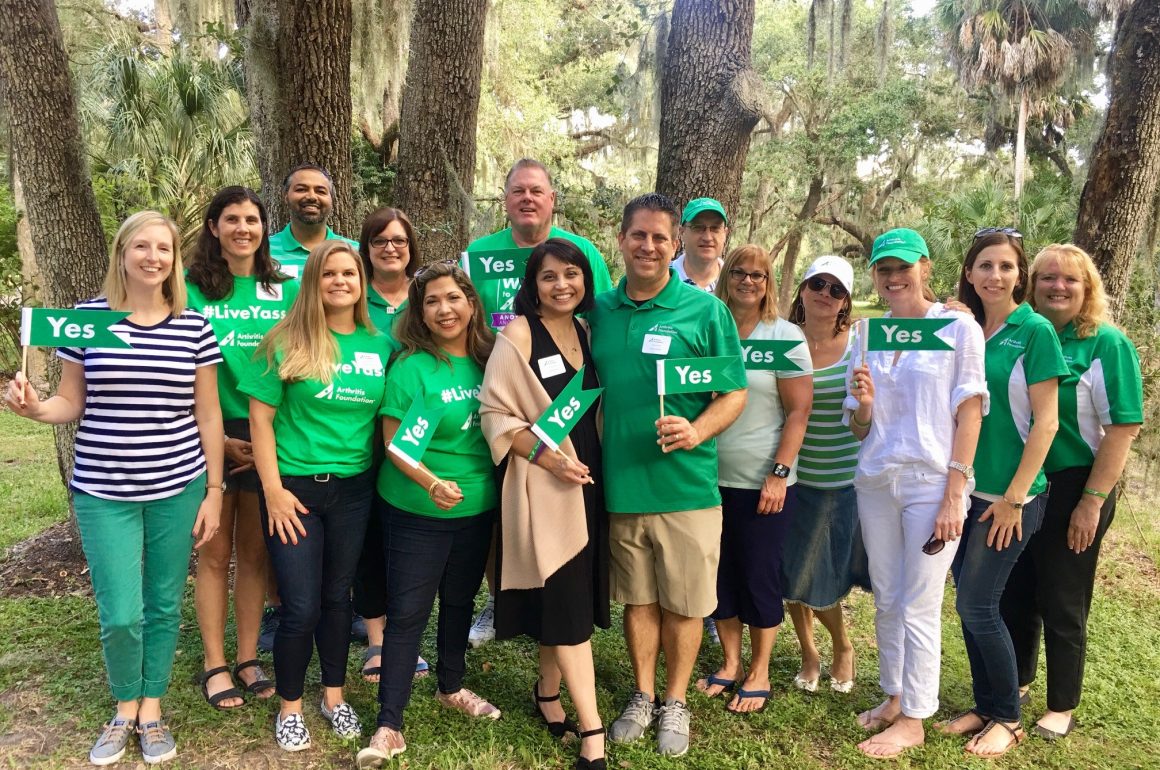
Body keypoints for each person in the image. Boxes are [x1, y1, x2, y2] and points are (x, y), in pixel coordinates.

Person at [6, 211, 224, 765]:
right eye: (142, 247)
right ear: (122, 253)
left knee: (161, 603)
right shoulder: (88, 321)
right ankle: (123, 705)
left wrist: (215, 490)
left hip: (179, 485)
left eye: (165, 249)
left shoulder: (193, 325)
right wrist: (34, 408)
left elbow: (208, 415)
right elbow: (70, 402)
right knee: (121, 610)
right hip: (103, 490)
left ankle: (150, 708)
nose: (154, 257)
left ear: (175, 260)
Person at [588, 193, 746, 758]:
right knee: (638, 599)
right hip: (622, 484)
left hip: (686, 487)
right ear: (622, 240)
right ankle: (643, 692)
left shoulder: (705, 311)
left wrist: (698, 431)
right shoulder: (600, 311)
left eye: (660, 237)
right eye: (638, 236)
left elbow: (734, 393)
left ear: (675, 244)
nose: (648, 246)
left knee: (684, 602)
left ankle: (674, 701)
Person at [241, 241, 392, 752]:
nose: (340, 281)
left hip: (353, 491)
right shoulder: (285, 340)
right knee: (301, 606)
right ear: (313, 281)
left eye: (349, 272)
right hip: (294, 491)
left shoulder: (379, 345)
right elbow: (260, 420)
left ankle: (333, 697)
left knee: (336, 598)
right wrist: (273, 491)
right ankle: (290, 708)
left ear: (361, 281)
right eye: (329, 273)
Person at [845, 228, 987, 759]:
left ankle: (915, 718)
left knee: (918, 602)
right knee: (887, 595)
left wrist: (955, 494)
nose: (894, 277)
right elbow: (859, 427)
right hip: (878, 480)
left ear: (925, 267)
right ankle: (894, 695)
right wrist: (863, 403)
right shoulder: (867, 334)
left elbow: (969, 410)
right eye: (884, 269)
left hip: (933, 484)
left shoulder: (957, 327)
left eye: (903, 267)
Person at [464, 157, 612, 647]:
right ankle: (498, 598)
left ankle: (565, 593)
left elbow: (599, 316)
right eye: (517, 191)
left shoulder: (584, 250)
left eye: (537, 191)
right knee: (499, 506)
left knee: (557, 499)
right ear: (505, 200)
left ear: (552, 200)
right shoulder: (478, 254)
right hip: (496, 389)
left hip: (562, 392)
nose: (527, 198)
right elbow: (464, 318)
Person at [358, 263, 500, 767]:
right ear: (419, 313)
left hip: (478, 506)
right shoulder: (412, 367)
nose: (445, 309)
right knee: (409, 613)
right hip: (417, 508)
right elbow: (395, 443)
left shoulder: (489, 361)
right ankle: (388, 724)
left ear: (471, 303)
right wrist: (431, 483)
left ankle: (451, 686)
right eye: (432, 302)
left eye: (453, 298)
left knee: (459, 602)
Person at [1000, 244, 1143, 741]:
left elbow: (1123, 428)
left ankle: (1062, 704)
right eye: (1048, 279)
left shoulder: (1105, 343)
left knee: (1062, 593)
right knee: (1016, 588)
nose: (1058, 287)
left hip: (1075, 484)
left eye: (1070, 281)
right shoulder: (1023, 334)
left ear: (1087, 290)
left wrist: (1092, 501)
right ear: (1031, 285)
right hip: (1022, 482)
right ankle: (1017, 678)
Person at [933, 229, 1067, 756]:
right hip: (963, 490)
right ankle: (985, 704)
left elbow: (1047, 423)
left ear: (1020, 276)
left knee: (978, 603)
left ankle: (1008, 717)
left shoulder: (1034, 332)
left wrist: (1013, 498)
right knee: (967, 603)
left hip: (1008, 499)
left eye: (1006, 267)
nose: (995, 275)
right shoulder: (961, 328)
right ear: (968, 273)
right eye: (984, 266)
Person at [479, 239, 610, 769]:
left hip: (589, 481)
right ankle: (594, 733)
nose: (562, 285)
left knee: (569, 595)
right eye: (549, 276)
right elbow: (494, 414)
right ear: (531, 285)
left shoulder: (584, 331)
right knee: (569, 605)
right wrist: (549, 459)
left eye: (571, 275)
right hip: (545, 485)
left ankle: (548, 692)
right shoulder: (517, 335)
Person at [185, 186, 298, 711]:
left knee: (254, 554)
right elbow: (171, 364)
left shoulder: (285, 288)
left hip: (267, 433)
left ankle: (249, 657)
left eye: (252, 219)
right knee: (214, 553)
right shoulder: (188, 287)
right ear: (214, 228)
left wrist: (260, 436)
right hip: (205, 426)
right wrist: (216, 436)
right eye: (231, 219)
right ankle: (214, 663)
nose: (242, 229)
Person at [694, 245, 811, 714]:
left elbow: (799, 412)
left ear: (768, 284)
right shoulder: (709, 332)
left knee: (759, 575)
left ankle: (760, 669)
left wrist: (779, 474)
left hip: (764, 480)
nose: (747, 281)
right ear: (726, 278)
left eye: (758, 276)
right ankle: (730, 662)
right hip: (705, 477)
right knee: (718, 575)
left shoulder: (784, 336)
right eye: (739, 273)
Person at [781, 255, 869, 695]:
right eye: (818, 283)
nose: (825, 294)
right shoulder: (781, 339)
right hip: (789, 475)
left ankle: (842, 646)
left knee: (819, 572)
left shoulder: (860, 345)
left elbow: (864, 422)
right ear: (802, 288)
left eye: (837, 290)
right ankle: (808, 652)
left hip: (839, 480)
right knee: (791, 572)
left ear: (845, 303)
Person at [349, 207, 428, 684]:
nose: (390, 248)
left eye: (399, 240)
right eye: (380, 240)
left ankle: (406, 635)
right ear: (368, 247)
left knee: (408, 538)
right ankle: (378, 640)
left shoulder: (425, 293)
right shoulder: (354, 294)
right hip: (361, 431)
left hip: (419, 430)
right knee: (369, 538)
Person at [267, 163, 359, 279]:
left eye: (320, 191)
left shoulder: (356, 252)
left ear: (332, 199)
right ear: (285, 196)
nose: (312, 196)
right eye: (301, 189)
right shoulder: (262, 251)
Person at [673, 198, 728, 291]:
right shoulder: (662, 278)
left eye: (715, 228)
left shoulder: (736, 283)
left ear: (725, 234)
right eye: (698, 227)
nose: (707, 237)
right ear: (682, 233)